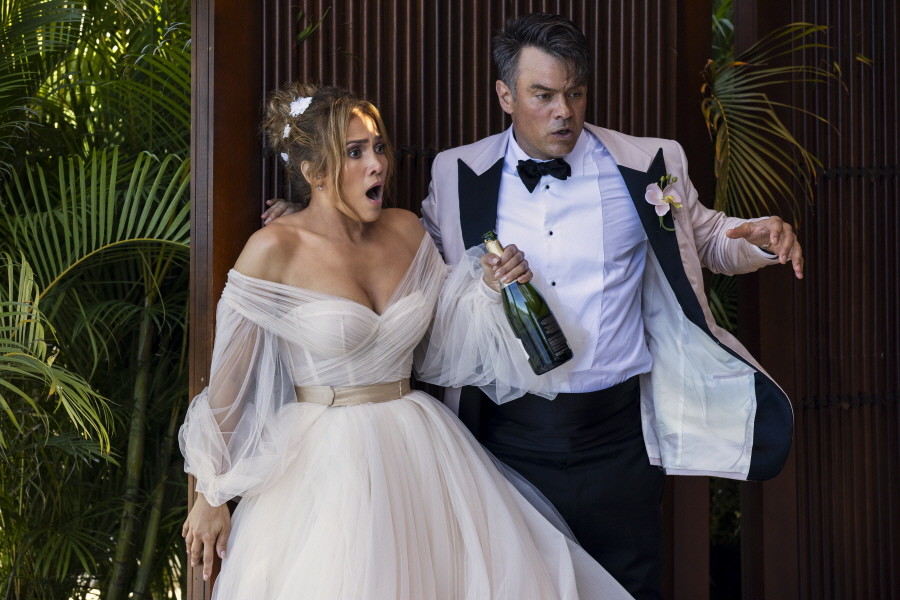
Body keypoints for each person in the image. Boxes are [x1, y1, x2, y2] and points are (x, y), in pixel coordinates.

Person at [262, 12, 802, 600]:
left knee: (630, 587)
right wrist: (312, 220)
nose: (563, 111)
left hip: (618, 438)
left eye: (575, 93)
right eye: (543, 95)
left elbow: (706, 239)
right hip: (504, 438)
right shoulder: (457, 172)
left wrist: (756, 239)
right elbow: (414, 266)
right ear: (506, 95)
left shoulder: (649, 163)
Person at [180, 82, 634, 599]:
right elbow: (230, 382)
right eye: (355, 153)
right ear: (315, 173)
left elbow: (443, 345)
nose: (378, 164)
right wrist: (210, 492)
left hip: (421, 450)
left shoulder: (406, 230)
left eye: (378, 147)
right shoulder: (273, 249)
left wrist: (489, 288)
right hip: (323, 465)